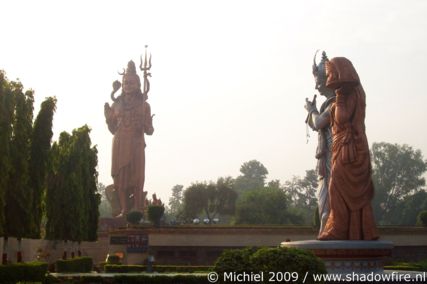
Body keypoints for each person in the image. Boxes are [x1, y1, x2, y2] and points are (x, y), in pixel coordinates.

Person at [317, 57, 378, 240]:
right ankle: (358, 231)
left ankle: (339, 229)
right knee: (349, 191)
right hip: (352, 147)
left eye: (329, 73)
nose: (328, 78)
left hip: (348, 150)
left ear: (339, 71)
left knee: (336, 187)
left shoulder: (346, 93)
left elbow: (342, 118)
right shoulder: (358, 92)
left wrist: (339, 101)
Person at [104, 60, 154, 217]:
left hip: (136, 143)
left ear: (138, 85)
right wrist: (108, 118)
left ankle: (138, 208)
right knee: (120, 177)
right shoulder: (117, 104)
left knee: (137, 176)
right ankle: (124, 209)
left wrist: (145, 124)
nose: (128, 85)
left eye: (131, 82)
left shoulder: (144, 105)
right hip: (119, 142)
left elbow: (150, 130)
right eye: (126, 82)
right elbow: (112, 127)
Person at [305, 51, 335, 236]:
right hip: (325, 157)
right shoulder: (329, 105)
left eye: (318, 82)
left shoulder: (335, 104)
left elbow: (318, 123)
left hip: (335, 155)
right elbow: (317, 125)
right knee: (323, 191)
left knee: (329, 192)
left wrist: (311, 110)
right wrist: (313, 111)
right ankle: (325, 225)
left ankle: (328, 224)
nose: (317, 87)